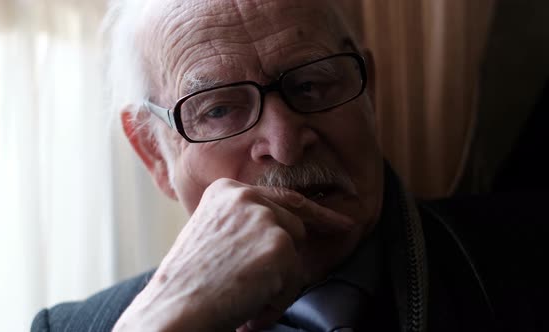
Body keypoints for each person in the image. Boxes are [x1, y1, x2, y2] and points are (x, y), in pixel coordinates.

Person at [31, 0, 549, 331]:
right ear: (154, 154)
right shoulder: (78, 327)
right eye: (218, 109)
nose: (284, 144)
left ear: (368, 88)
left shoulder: (529, 257)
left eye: (312, 84)